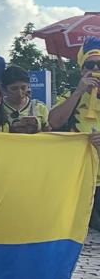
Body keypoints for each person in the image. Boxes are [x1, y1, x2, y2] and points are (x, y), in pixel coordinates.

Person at [48, 37, 100, 229]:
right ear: (81, 70)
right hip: (78, 179)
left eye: (99, 64)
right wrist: (78, 92)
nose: (95, 69)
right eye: (90, 65)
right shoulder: (71, 96)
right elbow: (54, 121)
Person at [1, 65, 49, 133]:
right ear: (4, 90)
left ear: (28, 86)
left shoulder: (39, 107)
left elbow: (48, 132)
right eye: (14, 89)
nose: (20, 93)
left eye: (23, 88)